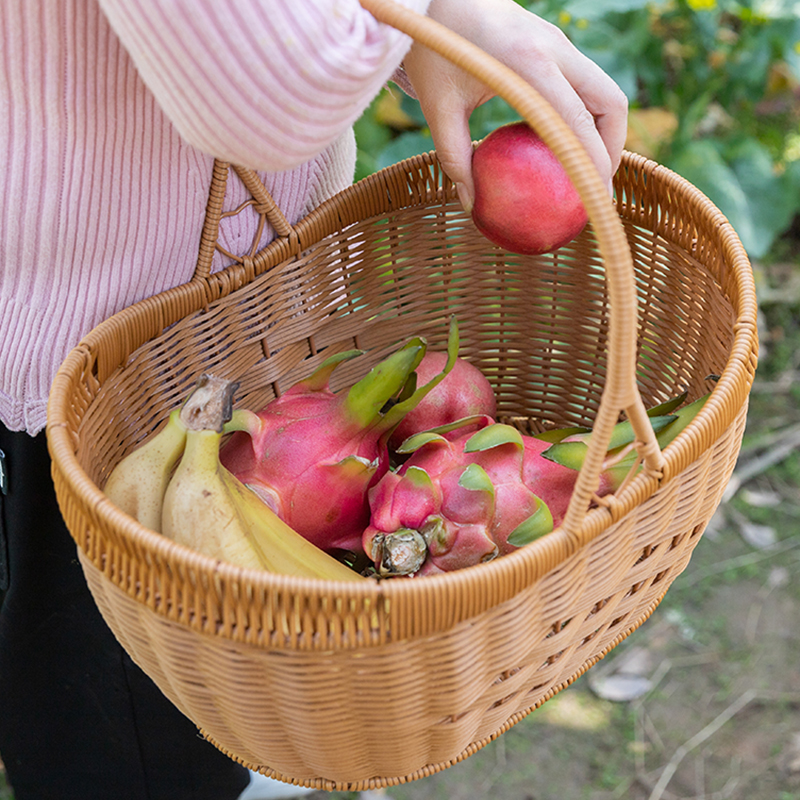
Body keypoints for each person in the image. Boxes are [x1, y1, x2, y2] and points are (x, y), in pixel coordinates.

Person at [0, 1, 627, 798]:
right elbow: (275, 85)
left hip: (250, 321)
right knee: (126, 747)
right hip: (83, 372)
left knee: (246, 718)